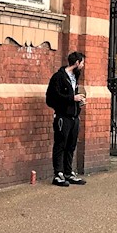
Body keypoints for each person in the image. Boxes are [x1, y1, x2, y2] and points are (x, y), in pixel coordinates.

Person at [45, 51, 87, 187]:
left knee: (71, 145)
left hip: (74, 116)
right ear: (76, 63)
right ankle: (58, 173)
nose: (83, 65)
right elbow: (51, 98)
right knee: (60, 145)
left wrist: (79, 101)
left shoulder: (76, 77)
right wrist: (71, 98)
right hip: (63, 117)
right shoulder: (58, 77)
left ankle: (68, 172)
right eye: (82, 62)